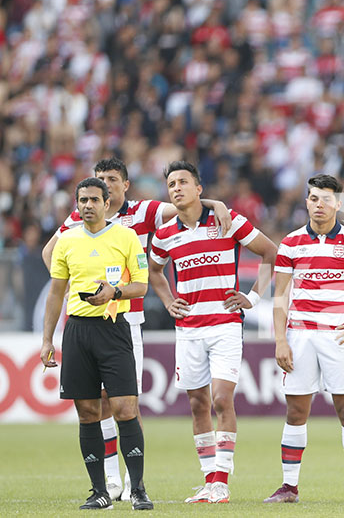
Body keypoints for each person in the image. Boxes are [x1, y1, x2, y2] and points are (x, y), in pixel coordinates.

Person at [40, 156, 232, 501]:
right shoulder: (80, 219)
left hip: (127, 318)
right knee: (95, 404)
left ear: (124, 185)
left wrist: (215, 203)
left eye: (112, 179)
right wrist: (72, 281)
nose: (106, 184)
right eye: (100, 179)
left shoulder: (143, 212)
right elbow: (50, 254)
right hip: (87, 318)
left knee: (126, 404)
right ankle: (110, 481)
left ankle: (133, 483)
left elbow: (185, 205)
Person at [148, 161, 277, 504]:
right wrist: (168, 300)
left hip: (225, 325)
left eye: (183, 182)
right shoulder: (164, 234)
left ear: (198, 189)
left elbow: (270, 252)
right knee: (197, 403)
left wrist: (252, 297)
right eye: (171, 183)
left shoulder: (225, 219)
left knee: (222, 398)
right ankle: (208, 481)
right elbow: (155, 271)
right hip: (188, 328)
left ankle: (221, 482)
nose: (176, 188)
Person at [264, 174, 344, 505]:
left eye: (324, 199)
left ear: (338, 203)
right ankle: (289, 487)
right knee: (296, 412)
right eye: (312, 198)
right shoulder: (291, 242)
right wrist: (280, 340)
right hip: (300, 336)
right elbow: (279, 295)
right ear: (306, 202)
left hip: (338, 338)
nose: (318, 204)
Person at [40, 177, 153, 510]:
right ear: (76, 204)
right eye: (82, 200)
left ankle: (138, 489)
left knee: (124, 408)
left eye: (93, 200)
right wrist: (47, 338)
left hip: (113, 328)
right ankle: (100, 492)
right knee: (87, 412)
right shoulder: (66, 241)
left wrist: (114, 292)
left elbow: (142, 286)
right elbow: (56, 292)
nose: (87, 205)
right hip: (77, 332)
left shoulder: (126, 236)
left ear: (107, 204)